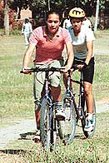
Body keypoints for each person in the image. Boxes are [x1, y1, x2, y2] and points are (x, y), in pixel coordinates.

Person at [22, 10, 74, 142]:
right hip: (40, 63)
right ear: (46, 21)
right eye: (50, 21)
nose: (52, 24)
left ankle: (58, 107)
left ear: (60, 22)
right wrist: (26, 66)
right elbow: (29, 51)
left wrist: (67, 66)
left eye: (55, 22)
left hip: (56, 61)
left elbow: (70, 52)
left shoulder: (64, 33)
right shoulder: (38, 32)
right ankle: (39, 129)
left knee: (55, 80)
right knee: (38, 99)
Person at [67, 7, 95, 131]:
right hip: (74, 58)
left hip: (87, 59)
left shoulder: (87, 31)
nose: (75, 24)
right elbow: (66, 48)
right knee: (64, 72)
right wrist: (69, 65)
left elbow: (90, 50)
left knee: (87, 90)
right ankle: (69, 93)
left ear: (82, 21)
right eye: (73, 21)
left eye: (78, 21)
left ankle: (90, 117)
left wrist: (85, 63)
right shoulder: (67, 31)